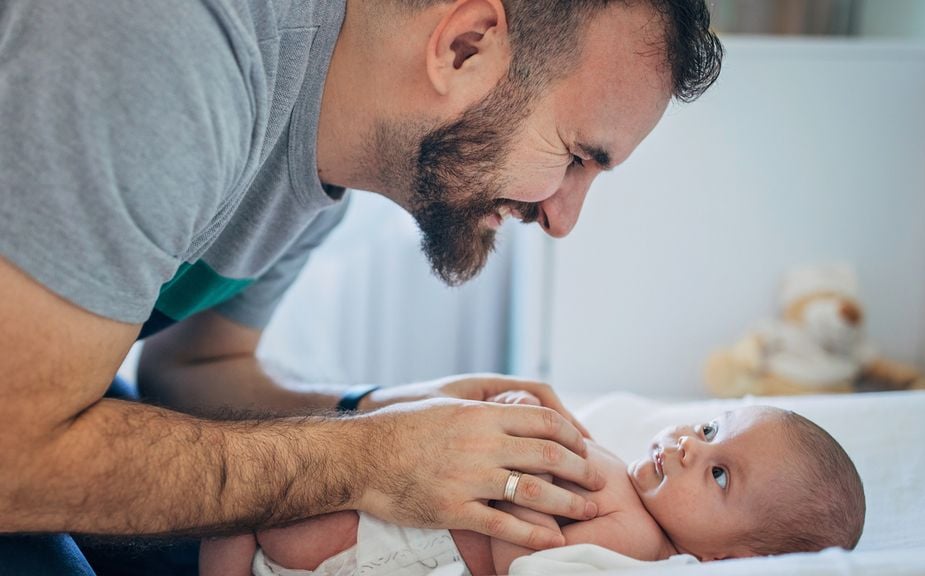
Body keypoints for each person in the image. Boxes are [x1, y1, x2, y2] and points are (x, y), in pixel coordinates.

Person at [0, 0, 722, 572]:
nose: (563, 218)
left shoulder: (321, 165)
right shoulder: (181, 45)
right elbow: (14, 452)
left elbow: (189, 370)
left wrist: (378, 410)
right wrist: (370, 459)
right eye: (575, 157)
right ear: (465, 45)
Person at [199, 403, 866, 575]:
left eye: (719, 473)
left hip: (386, 541)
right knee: (238, 496)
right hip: (387, 499)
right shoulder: (624, 477)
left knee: (244, 510)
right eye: (713, 425)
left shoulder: (639, 543)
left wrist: (517, 489)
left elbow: (526, 564)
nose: (691, 444)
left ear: (730, 560)